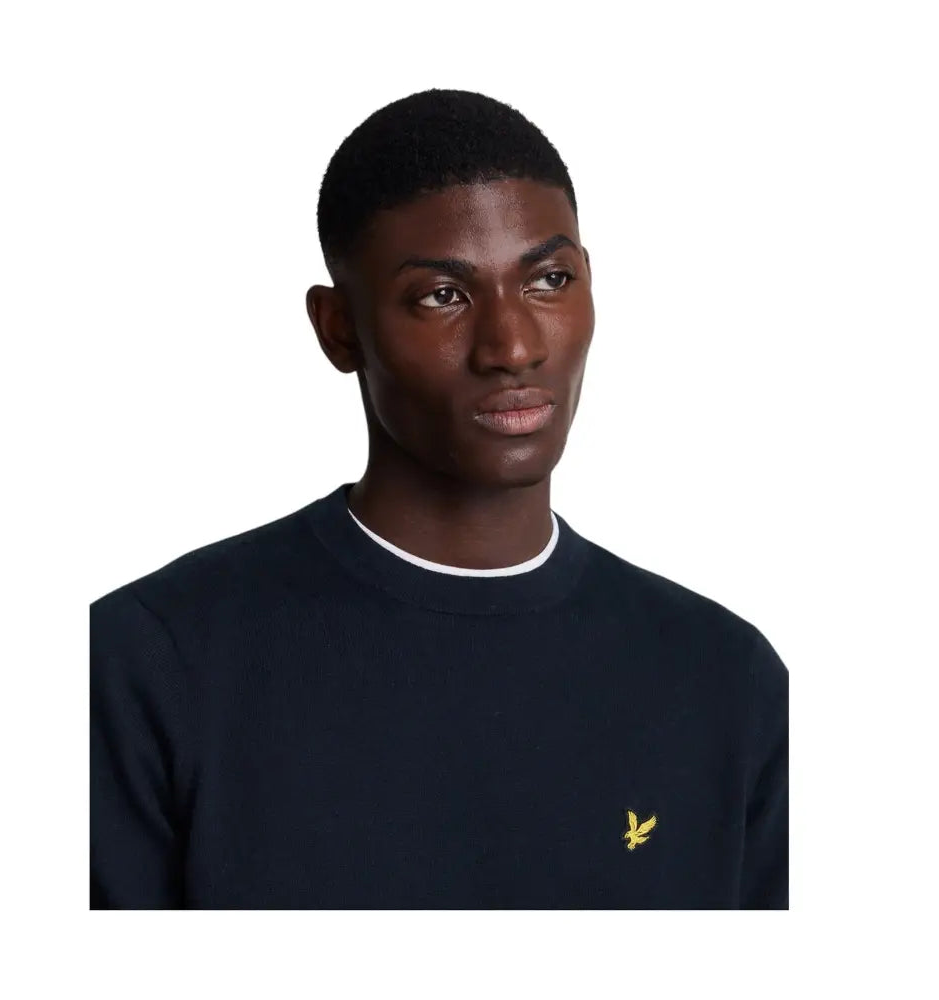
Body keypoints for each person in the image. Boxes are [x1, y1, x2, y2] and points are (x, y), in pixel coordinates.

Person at [90, 88, 788, 909]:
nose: (512, 346)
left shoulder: (724, 680)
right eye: (443, 296)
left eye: (549, 279)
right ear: (338, 328)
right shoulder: (152, 664)